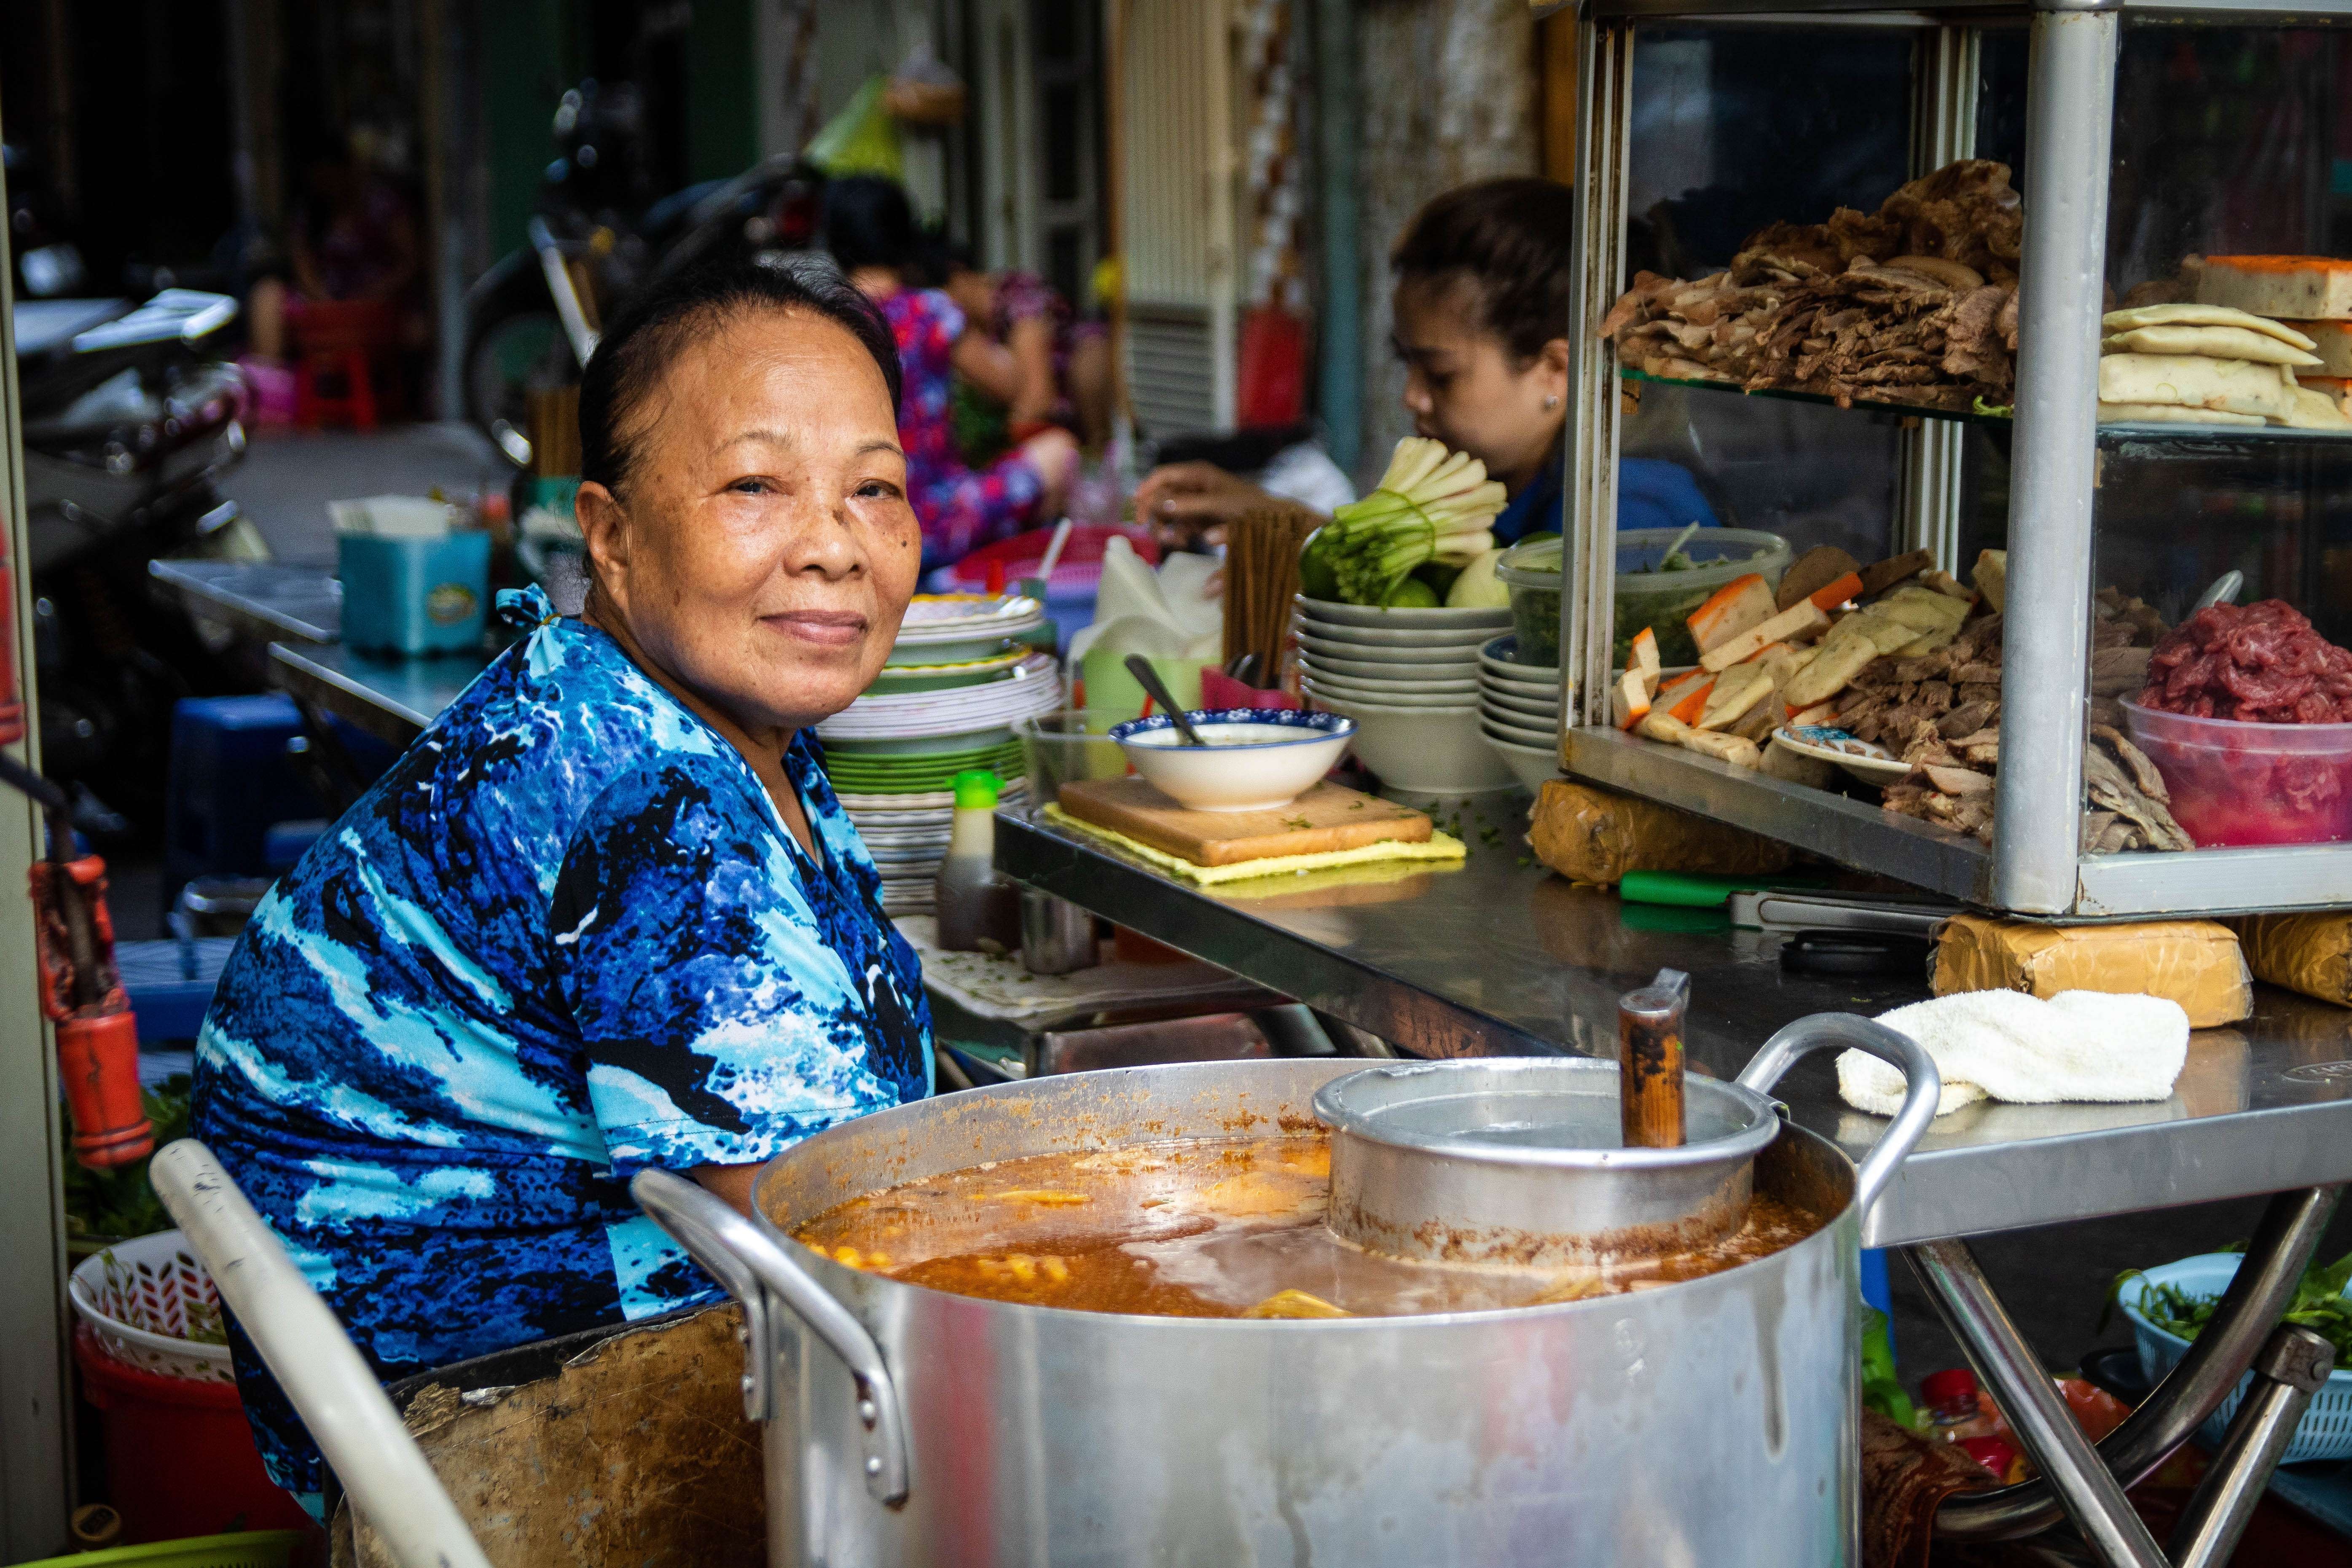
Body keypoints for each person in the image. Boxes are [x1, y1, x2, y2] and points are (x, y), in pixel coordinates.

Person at [191, 253, 933, 1508]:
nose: (833, 546)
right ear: (611, 532)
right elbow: (839, 1238)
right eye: (755, 485)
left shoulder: (672, 714)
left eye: (874, 489)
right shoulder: (646, 795)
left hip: (473, 1423)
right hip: (540, 1454)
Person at [1133, 178, 1718, 545]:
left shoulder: (1628, 513)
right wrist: (1280, 522)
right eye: (1406, 364)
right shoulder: (1511, 490)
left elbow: (1495, 630)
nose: (1411, 396)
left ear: (1555, 372)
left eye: (1440, 375)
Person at [826, 175, 1077, 566]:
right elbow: (1015, 388)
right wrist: (1029, 325)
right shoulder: (931, 311)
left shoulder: (824, 320)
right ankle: (1015, 571)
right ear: (903, 237)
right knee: (1059, 450)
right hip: (939, 521)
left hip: (856, 526)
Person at [938, 244, 1114, 447]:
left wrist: (1008, 458)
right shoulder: (977, 328)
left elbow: (1038, 397)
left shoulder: (1017, 299)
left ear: (959, 280)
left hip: (1089, 406)